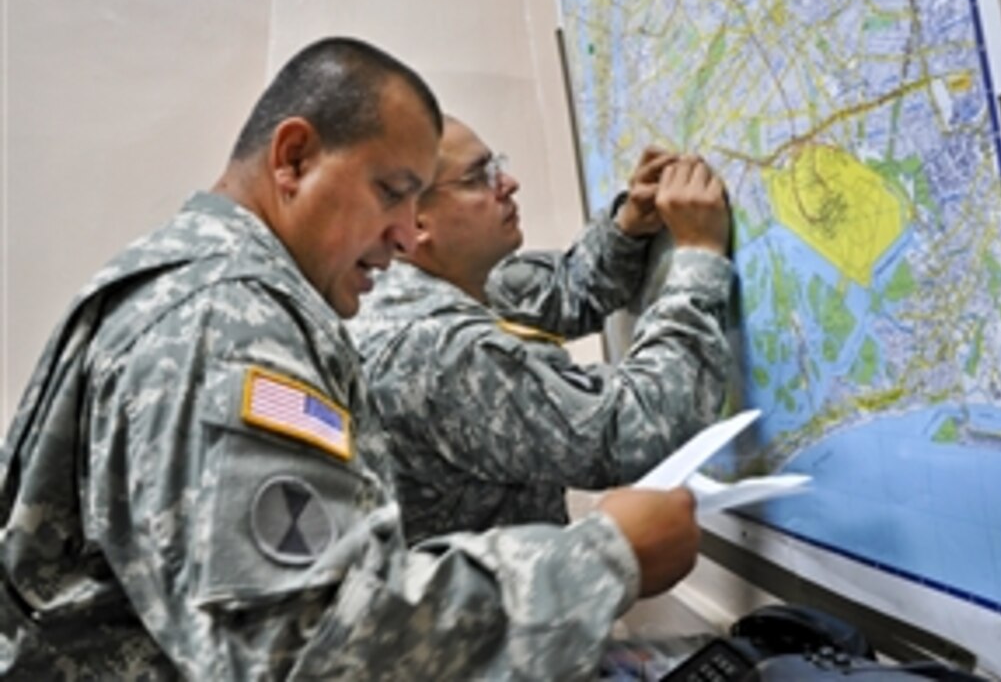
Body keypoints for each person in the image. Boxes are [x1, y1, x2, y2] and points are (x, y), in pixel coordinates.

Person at [0, 36, 701, 679]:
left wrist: (625, 232)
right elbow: (310, 645)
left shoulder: (219, 286)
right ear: (295, 158)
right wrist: (607, 561)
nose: (404, 237)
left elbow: (547, 292)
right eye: (392, 192)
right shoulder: (224, 323)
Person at [349, 115, 734, 544]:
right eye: (480, 177)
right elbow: (632, 429)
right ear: (415, 222)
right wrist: (699, 255)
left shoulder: (402, 286)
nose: (508, 183)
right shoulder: (436, 348)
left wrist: (629, 226)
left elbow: (565, 290)